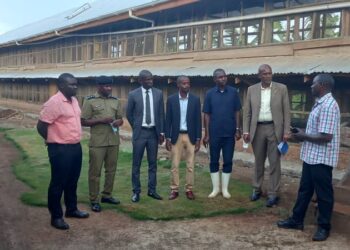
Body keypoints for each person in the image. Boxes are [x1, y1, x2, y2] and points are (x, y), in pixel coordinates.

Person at [277, 74, 340, 241]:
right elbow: (316, 130)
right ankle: (297, 220)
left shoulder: (328, 105)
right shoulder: (319, 103)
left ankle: (324, 227)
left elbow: (326, 137)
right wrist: (300, 133)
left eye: (313, 84)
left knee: (323, 195)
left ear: (322, 85)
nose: (311, 87)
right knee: (304, 190)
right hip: (311, 156)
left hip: (322, 158)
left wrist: (303, 136)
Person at [37, 73, 89, 230]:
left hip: (75, 147)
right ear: (61, 86)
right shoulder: (54, 102)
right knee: (58, 183)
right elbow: (41, 126)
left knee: (72, 181)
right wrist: (52, 139)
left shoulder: (74, 101)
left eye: (76, 84)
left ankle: (71, 209)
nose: (75, 87)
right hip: (60, 149)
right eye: (71, 84)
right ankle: (56, 216)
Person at [243, 64, 290, 207]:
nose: (268, 76)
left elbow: (286, 111)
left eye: (270, 73)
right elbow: (247, 112)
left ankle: (273, 193)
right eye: (265, 74)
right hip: (257, 130)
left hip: (274, 129)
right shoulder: (252, 90)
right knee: (258, 161)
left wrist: (286, 131)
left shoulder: (281, 88)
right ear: (259, 75)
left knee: (275, 162)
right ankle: (257, 189)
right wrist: (246, 131)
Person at [81, 76, 123, 212]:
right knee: (95, 172)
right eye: (106, 86)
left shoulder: (115, 101)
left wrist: (118, 122)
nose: (109, 88)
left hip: (113, 141)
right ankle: (94, 199)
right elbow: (83, 121)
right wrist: (101, 120)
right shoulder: (89, 101)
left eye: (110, 86)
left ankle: (107, 195)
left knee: (111, 170)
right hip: (98, 142)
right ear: (99, 87)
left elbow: (121, 119)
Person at [126, 70, 165, 202]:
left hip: (153, 133)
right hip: (140, 133)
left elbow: (161, 114)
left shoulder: (158, 93)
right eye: (147, 79)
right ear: (140, 81)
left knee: (152, 164)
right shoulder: (133, 94)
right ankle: (136, 192)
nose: (150, 81)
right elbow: (129, 114)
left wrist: (161, 132)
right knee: (136, 164)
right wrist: (136, 127)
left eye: (151, 79)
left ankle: (152, 190)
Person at [203, 68, 241, 199]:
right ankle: (215, 189)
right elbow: (206, 115)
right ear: (215, 79)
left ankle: (225, 190)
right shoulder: (209, 94)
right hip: (214, 134)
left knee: (228, 161)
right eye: (220, 77)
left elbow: (237, 111)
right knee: (213, 161)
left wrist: (237, 129)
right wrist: (207, 134)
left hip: (229, 134)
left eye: (224, 76)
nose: (223, 79)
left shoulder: (233, 92)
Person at [165, 76, 202, 200]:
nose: (187, 85)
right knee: (175, 165)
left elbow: (198, 120)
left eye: (188, 83)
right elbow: (168, 119)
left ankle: (189, 189)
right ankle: (174, 190)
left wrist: (198, 139)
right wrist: (168, 138)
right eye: (184, 83)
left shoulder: (195, 100)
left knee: (190, 164)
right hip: (176, 136)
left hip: (190, 136)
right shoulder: (171, 100)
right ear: (178, 85)